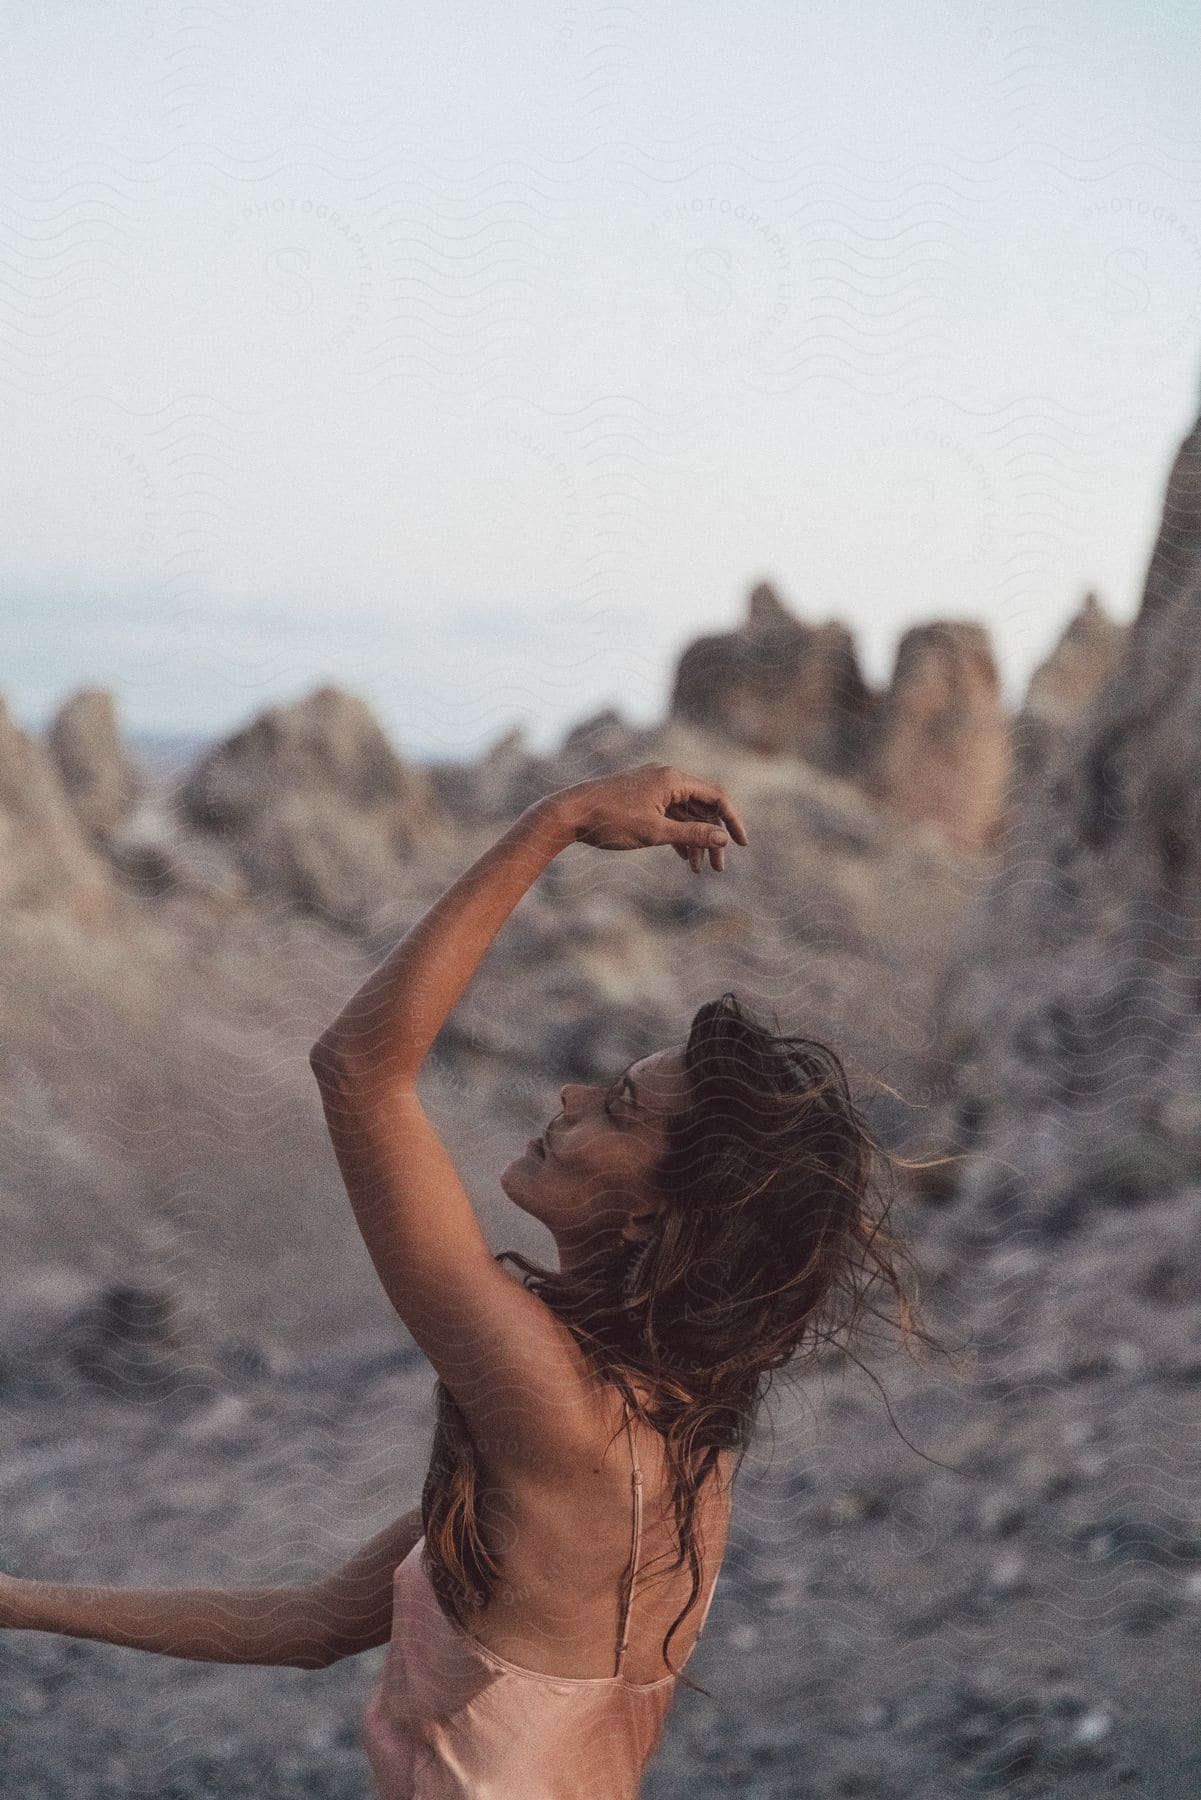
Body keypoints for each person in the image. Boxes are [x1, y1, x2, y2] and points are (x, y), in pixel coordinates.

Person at [0, 763, 941, 1797]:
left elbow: (359, 1073)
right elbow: (318, 1625)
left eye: (618, 1110)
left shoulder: (556, 1412)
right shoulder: (672, 1435)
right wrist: (19, 1601)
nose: (571, 1097)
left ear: (658, 1217)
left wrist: (562, 819)